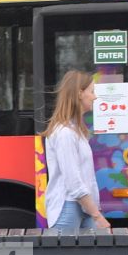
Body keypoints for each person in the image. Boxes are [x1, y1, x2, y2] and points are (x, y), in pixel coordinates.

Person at [42, 70, 109, 234]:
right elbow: (73, 181)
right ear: (80, 93)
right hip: (69, 207)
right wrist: (97, 215)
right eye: (92, 91)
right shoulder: (65, 133)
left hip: (81, 206)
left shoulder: (74, 130)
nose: (95, 97)